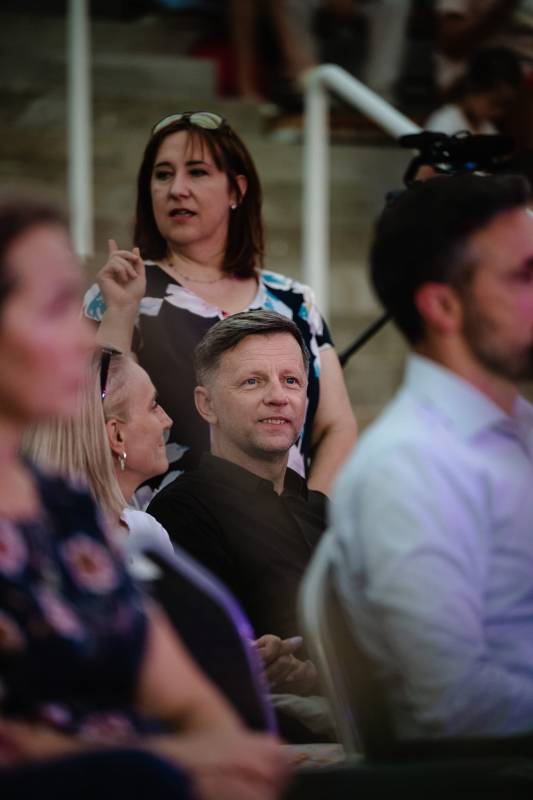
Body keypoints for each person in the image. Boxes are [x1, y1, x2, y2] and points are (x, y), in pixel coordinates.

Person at [0, 196, 287, 800]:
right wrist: (168, 759)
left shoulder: (66, 507)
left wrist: (225, 751)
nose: (79, 340)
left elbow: (186, 694)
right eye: (55, 309)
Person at [327, 173, 533, 742]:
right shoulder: (408, 466)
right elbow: (458, 705)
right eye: (524, 275)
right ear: (443, 306)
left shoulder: (520, 430)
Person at [83, 111, 356, 499]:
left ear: (236, 191)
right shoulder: (121, 291)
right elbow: (89, 415)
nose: (177, 189)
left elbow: (338, 425)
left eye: (197, 172)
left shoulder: (295, 299)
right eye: (162, 175)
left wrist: (309, 516)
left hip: (289, 528)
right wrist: (122, 310)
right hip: (165, 525)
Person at [147, 310, 326, 698]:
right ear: (206, 404)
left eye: (291, 381)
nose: (277, 396)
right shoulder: (181, 514)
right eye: (252, 381)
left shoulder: (325, 512)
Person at [24, 348, 174, 559]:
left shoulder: (148, 532)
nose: (167, 421)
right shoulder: (36, 542)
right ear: (117, 436)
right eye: (153, 406)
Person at [425, 46, 522, 135]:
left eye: (505, 106)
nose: (499, 113)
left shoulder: (488, 128)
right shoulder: (445, 123)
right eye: (494, 103)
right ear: (473, 87)